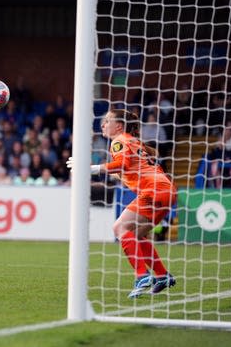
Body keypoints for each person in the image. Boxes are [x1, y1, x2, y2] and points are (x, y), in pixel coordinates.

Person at [67, 109, 176, 298]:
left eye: (107, 121)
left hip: (154, 189)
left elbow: (122, 164)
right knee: (137, 235)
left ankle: (142, 275)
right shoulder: (133, 142)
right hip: (167, 190)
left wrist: (91, 168)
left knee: (119, 227)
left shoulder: (119, 141)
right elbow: (126, 170)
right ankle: (162, 275)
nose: (103, 125)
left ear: (118, 125)